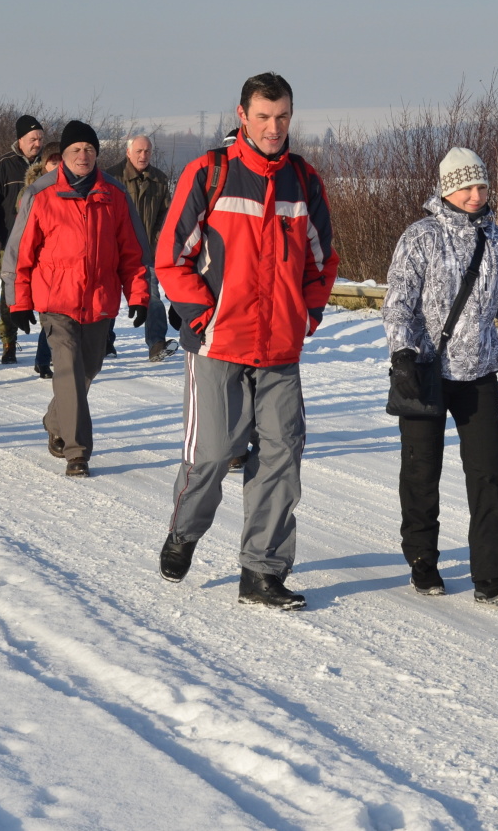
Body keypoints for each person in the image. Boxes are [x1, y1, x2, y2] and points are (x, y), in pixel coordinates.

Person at [155, 72, 339, 610]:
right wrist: (202, 314)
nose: (274, 127)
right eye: (263, 117)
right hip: (218, 343)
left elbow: (322, 261)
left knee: (282, 457)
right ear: (242, 116)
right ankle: (184, 531)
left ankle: (262, 571)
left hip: (280, 348)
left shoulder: (303, 181)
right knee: (213, 454)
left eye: (282, 117)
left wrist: (306, 314)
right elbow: (171, 257)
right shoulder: (209, 172)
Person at [382, 148, 498, 606]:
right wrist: (403, 354)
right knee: (421, 471)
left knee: (489, 474)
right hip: (425, 373)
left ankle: (492, 576)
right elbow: (398, 302)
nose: (476, 195)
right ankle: (422, 560)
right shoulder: (421, 236)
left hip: (478, 375)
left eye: (482, 186)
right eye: (467, 187)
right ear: (447, 188)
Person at [11, 122, 148, 477]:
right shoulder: (41, 194)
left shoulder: (114, 194)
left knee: (88, 370)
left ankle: (55, 420)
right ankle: (78, 452)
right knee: (69, 368)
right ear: (64, 155)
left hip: (99, 300)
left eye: (89, 149)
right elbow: (19, 254)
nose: (82, 155)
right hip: (56, 300)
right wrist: (19, 301)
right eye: (75, 150)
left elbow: (133, 252)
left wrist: (139, 295)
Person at [0, 114, 47, 363]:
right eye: (33, 139)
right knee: (10, 291)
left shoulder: (50, 165)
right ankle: (8, 341)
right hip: (10, 241)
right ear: (20, 140)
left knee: (44, 290)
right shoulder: (3, 166)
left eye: (40, 138)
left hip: (43, 242)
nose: (37, 143)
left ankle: (49, 345)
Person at [107, 134, 176, 361]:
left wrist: (155, 244)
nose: (143, 155)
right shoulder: (111, 177)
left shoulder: (159, 179)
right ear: (128, 152)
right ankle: (104, 342)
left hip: (146, 252)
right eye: (139, 151)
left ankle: (156, 344)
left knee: (152, 296)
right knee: (108, 296)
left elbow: (165, 217)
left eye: (147, 151)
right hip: (114, 249)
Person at [0, 143, 63, 378]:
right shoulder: (32, 191)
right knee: (47, 314)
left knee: (55, 314)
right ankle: (35, 355)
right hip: (36, 261)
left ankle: (46, 359)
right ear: (44, 165)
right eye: (53, 161)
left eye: (61, 161)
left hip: (60, 263)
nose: (58, 166)